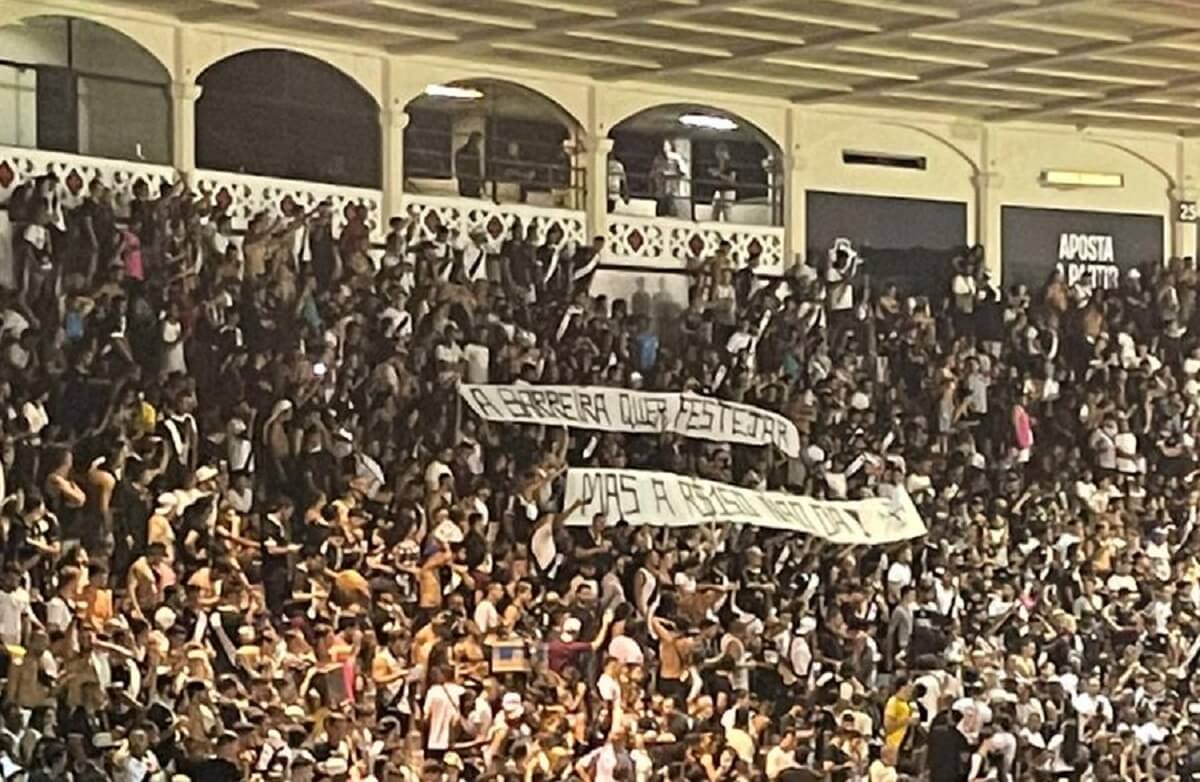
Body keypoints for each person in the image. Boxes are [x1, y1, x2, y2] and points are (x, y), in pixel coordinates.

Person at [455, 132, 484, 198]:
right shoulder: (461, 152)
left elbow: (477, 167)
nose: (478, 142)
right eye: (477, 140)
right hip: (465, 183)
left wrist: (480, 182)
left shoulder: (476, 152)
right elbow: (459, 168)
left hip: (474, 183)